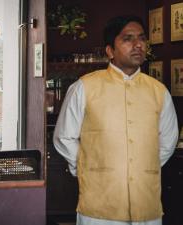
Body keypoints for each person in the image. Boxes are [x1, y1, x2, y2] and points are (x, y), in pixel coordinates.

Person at [53, 15, 178, 225]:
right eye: (128, 39)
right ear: (110, 50)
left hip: (146, 205)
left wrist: (143, 167)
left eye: (141, 38)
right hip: (98, 207)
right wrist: (86, 167)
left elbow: (168, 141)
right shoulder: (84, 88)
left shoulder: (159, 92)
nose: (137, 44)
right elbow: (64, 137)